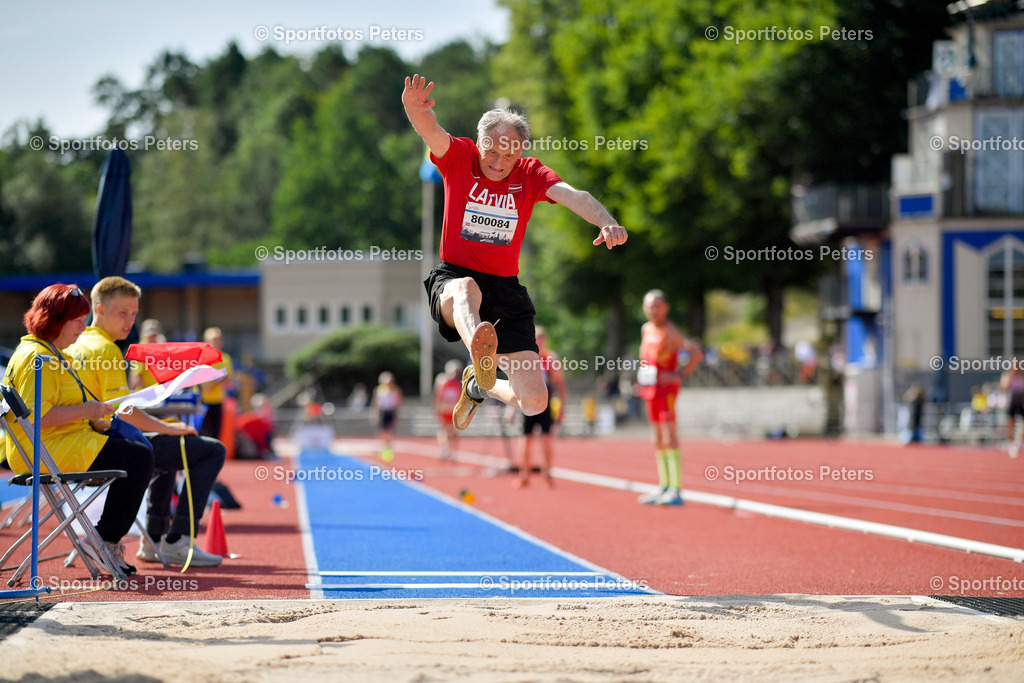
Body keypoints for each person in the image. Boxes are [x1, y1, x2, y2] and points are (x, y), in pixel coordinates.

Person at [403, 74, 628, 431]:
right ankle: (479, 346)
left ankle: (479, 382)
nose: (498, 161)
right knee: (467, 289)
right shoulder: (459, 157)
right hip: (452, 279)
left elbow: (575, 196)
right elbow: (430, 129)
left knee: (536, 402)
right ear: (478, 142)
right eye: (491, 151)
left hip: (506, 291)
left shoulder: (531, 173)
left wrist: (606, 221)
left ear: (521, 151)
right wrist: (414, 109)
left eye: (509, 154)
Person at [67, 277, 225, 567]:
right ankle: (176, 540)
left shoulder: (76, 344)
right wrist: (168, 426)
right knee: (210, 449)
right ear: (99, 310)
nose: (130, 321)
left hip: (83, 443)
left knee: (167, 447)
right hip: (99, 446)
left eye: (134, 313)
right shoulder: (106, 350)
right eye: (122, 313)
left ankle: (155, 538)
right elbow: (123, 411)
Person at [0, 283, 152, 576]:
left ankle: (103, 538)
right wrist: (89, 411)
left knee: (136, 455)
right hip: (43, 449)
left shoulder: (48, 351)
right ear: (56, 319)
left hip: (58, 442)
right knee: (139, 458)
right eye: (78, 320)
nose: (83, 327)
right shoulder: (37, 358)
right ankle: (103, 539)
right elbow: (36, 418)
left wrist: (93, 418)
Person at [637, 289, 703, 506]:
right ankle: (663, 486)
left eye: (657, 305)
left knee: (669, 437)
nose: (652, 310)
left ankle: (676, 490)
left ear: (666, 307)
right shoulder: (646, 329)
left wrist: (679, 374)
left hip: (666, 391)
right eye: (649, 306)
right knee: (656, 438)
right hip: (650, 389)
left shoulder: (671, 331)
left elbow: (696, 353)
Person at [512, 326, 567, 488]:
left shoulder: (550, 359)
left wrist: (562, 407)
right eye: (536, 339)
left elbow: (561, 385)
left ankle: (547, 475)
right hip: (527, 404)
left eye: (541, 339)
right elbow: (515, 384)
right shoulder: (524, 358)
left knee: (546, 441)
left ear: (545, 341)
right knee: (525, 441)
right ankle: (524, 475)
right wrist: (511, 407)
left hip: (545, 405)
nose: (538, 342)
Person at [199, 327, 234, 440]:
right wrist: (218, 379)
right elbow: (204, 384)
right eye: (213, 340)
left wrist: (215, 381)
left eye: (218, 339)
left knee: (216, 433)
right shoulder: (202, 357)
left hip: (218, 400)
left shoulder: (225, 358)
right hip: (203, 401)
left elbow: (229, 382)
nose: (216, 342)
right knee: (202, 432)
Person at [433, 360, 464, 460]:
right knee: (443, 430)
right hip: (444, 409)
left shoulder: (459, 383)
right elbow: (437, 395)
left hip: (454, 410)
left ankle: (454, 452)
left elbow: (461, 397)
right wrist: (437, 408)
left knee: (455, 432)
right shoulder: (442, 380)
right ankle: (445, 449)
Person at [372, 372, 402, 461]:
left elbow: (398, 403)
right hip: (382, 411)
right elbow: (375, 403)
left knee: (390, 431)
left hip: (391, 411)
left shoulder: (395, 390)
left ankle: (388, 447)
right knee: (382, 431)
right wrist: (375, 414)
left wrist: (397, 414)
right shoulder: (378, 390)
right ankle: (383, 446)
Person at [1000, 364, 1024, 458]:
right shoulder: (1008, 377)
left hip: (1020, 404)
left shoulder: (1021, 378)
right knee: (1010, 424)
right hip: (1011, 404)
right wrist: (1009, 378)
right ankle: (1011, 444)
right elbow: (1003, 389)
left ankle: (1019, 442)